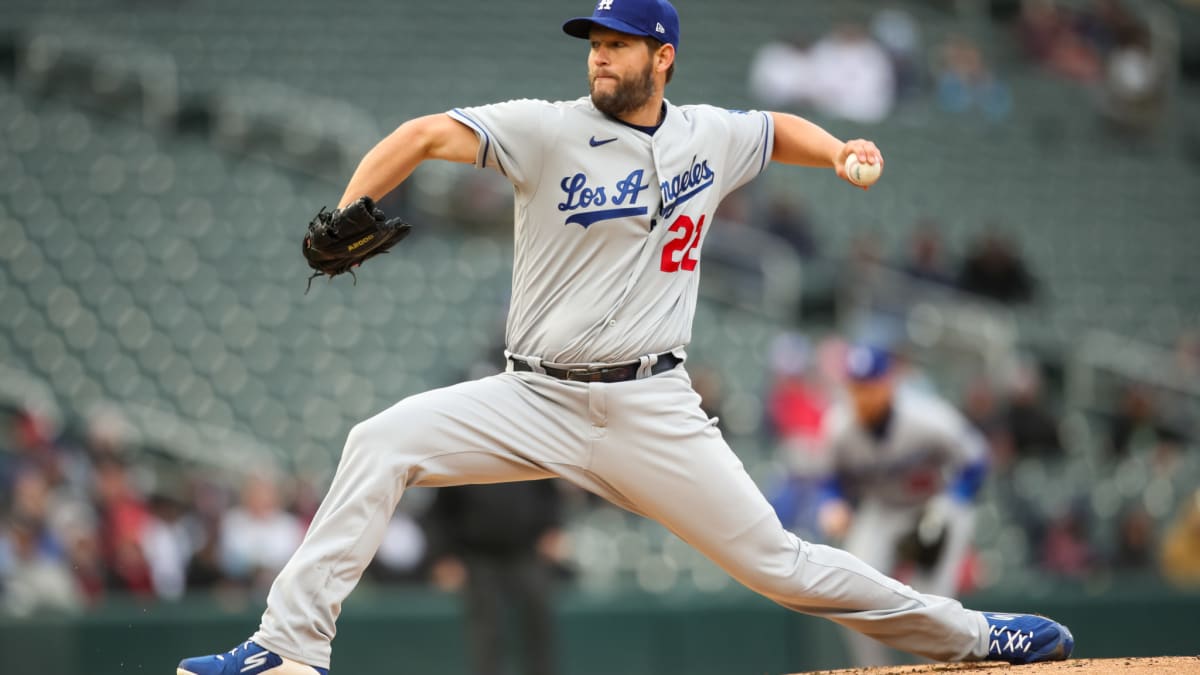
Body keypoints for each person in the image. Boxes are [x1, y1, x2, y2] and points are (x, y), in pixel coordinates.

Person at [177, 2, 1074, 673]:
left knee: (783, 567)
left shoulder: (709, 136)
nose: (600, 57)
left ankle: (971, 634)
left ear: (663, 56)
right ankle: (287, 650)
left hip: (652, 405)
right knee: (380, 441)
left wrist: (838, 149)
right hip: (533, 395)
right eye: (595, 44)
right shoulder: (545, 129)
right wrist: (348, 206)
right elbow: (418, 134)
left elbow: (776, 131)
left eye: (617, 44)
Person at [817, 345, 990, 666]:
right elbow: (831, 480)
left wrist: (953, 503)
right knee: (850, 593)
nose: (863, 395)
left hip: (934, 506)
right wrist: (833, 504)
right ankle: (875, 670)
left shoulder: (927, 416)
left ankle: (936, 669)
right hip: (882, 509)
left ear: (888, 382)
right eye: (856, 387)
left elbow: (977, 459)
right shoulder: (838, 426)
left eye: (870, 385)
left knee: (931, 604)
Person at [425, 481, 566, 675]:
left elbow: (550, 495)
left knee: (538, 626)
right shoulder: (467, 458)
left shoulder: (528, 452)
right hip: (479, 557)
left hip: (526, 552)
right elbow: (442, 512)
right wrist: (445, 555)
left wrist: (553, 527)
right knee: (486, 633)